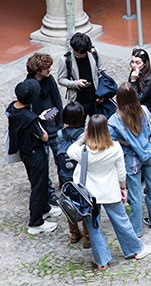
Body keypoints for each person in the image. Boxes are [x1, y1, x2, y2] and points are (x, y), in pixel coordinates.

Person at [67, 115, 151, 270]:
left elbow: (70, 150)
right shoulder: (115, 148)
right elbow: (121, 172)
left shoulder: (84, 151)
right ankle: (135, 249)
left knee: (93, 226)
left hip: (89, 194)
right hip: (109, 190)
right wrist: (123, 188)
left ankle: (102, 261)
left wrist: (83, 138)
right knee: (122, 221)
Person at [108, 83, 151, 237]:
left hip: (131, 159)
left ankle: (136, 229)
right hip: (148, 153)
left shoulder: (115, 120)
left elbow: (110, 140)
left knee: (135, 194)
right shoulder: (145, 111)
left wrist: (124, 141)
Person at [6, 79, 62, 235]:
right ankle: (36, 222)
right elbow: (43, 137)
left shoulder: (13, 108)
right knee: (39, 185)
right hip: (35, 153)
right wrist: (40, 121)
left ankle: (45, 208)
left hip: (25, 152)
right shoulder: (29, 118)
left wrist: (38, 118)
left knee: (37, 181)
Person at [26, 53, 63, 206]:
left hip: (54, 126)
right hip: (41, 132)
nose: (50, 70)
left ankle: (66, 185)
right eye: (47, 68)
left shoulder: (49, 80)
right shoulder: (28, 85)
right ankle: (49, 193)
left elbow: (57, 99)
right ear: (38, 70)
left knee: (61, 158)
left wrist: (60, 119)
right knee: (44, 165)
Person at [127, 48, 151, 189]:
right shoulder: (135, 75)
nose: (134, 66)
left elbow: (136, 99)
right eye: (132, 62)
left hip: (148, 118)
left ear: (145, 63)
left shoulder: (150, 79)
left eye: (137, 62)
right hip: (137, 117)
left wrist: (133, 81)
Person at [54, 101, 90, 248]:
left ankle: (74, 233)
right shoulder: (84, 135)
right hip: (81, 176)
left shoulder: (59, 134)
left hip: (65, 176)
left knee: (69, 203)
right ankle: (87, 237)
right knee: (85, 204)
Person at [57, 32, 103, 117]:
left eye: (83, 53)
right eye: (78, 52)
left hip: (95, 99)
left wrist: (102, 93)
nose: (81, 55)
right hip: (78, 101)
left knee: (98, 127)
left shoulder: (94, 53)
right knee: (78, 128)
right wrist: (76, 83)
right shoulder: (66, 60)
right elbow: (61, 79)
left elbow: (102, 73)